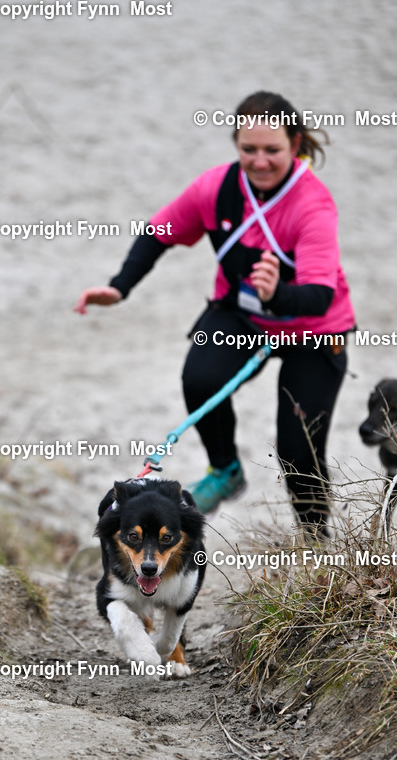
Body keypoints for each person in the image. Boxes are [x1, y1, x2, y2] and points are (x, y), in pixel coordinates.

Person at [74, 91, 355, 535]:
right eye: (249, 149)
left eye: (272, 150)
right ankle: (225, 470)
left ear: (295, 143)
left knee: (298, 451)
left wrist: (278, 294)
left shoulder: (313, 206)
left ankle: (315, 542)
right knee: (200, 378)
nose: (259, 161)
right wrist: (119, 286)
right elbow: (159, 232)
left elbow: (319, 295)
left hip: (312, 330)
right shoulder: (217, 188)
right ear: (236, 145)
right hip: (240, 316)